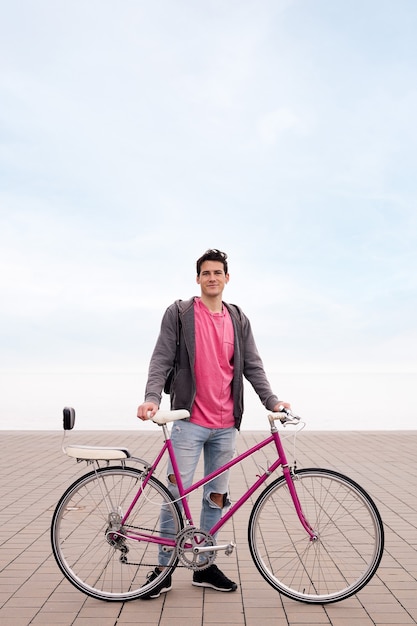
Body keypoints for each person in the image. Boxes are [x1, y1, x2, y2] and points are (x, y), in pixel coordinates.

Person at [137, 248, 290, 599]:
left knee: (216, 498)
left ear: (226, 278)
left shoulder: (237, 318)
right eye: (206, 273)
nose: (212, 278)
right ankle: (163, 570)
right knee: (175, 495)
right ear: (198, 278)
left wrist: (272, 400)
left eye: (217, 272)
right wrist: (151, 398)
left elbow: (252, 365)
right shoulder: (180, 313)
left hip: (225, 425)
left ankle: (204, 566)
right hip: (188, 421)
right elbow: (161, 356)